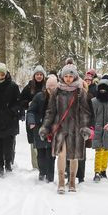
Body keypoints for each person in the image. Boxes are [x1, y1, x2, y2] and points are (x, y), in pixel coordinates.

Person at [40, 64, 92, 194]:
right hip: (61, 128)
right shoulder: (56, 91)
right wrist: (45, 127)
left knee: (73, 157)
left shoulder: (80, 91)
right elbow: (50, 111)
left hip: (76, 128)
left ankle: (73, 181)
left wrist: (85, 127)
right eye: (66, 76)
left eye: (70, 76)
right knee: (62, 155)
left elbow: (85, 112)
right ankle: (61, 181)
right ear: (62, 76)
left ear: (75, 77)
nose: (68, 79)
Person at [0, 62, 21, 177]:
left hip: (9, 120)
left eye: (2, 74)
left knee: (8, 145)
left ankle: (8, 164)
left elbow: (18, 102)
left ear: (5, 73)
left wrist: (12, 111)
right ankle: (0, 167)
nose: (0, 76)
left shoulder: (13, 86)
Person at [26, 74, 57, 183]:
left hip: (53, 130)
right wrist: (31, 121)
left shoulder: (59, 98)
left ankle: (50, 176)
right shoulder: (39, 96)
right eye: (49, 88)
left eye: (54, 89)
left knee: (51, 154)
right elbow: (31, 111)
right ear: (46, 88)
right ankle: (42, 172)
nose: (51, 91)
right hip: (39, 128)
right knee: (41, 154)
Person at [19, 65, 47, 171]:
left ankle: (45, 165)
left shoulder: (47, 86)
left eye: (41, 74)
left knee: (45, 141)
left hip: (45, 118)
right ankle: (36, 166)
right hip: (32, 117)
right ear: (34, 76)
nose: (39, 76)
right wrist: (28, 104)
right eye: (37, 74)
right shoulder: (29, 87)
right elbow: (21, 100)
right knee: (33, 141)